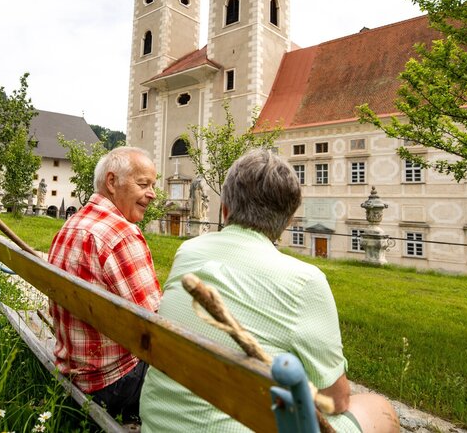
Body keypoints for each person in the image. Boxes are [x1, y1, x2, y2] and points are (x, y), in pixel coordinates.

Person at [140, 149, 399, 433]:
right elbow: (335, 400)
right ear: (288, 222)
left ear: (225, 208)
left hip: (158, 424)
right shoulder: (305, 281)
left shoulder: (189, 250)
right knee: (377, 407)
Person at [47, 146, 161, 422]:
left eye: (153, 186)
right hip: (110, 383)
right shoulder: (121, 234)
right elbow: (158, 326)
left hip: (73, 367)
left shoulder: (72, 224)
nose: (153, 194)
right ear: (112, 182)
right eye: (143, 184)